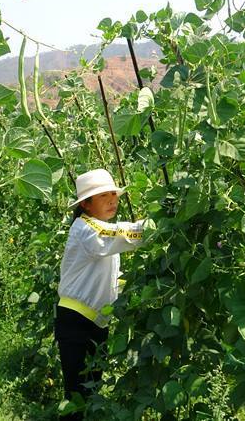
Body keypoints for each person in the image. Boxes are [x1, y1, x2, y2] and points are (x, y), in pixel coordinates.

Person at [55, 169, 147, 420]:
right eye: (103, 196)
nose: (112, 200)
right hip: (75, 320)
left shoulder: (96, 230)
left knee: (92, 387)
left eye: (113, 194)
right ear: (85, 204)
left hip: (95, 321)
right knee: (76, 393)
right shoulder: (86, 229)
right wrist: (150, 228)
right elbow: (115, 235)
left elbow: (108, 277)